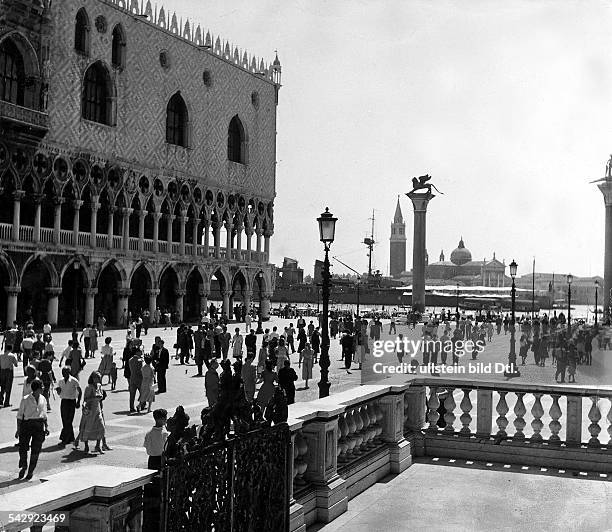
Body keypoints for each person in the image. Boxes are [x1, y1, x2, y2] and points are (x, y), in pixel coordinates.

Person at [16, 378, 48, 480]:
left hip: (39, 426)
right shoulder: (25, 399)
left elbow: (44, 414)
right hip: (27, 425)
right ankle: (24, 465)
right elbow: (20, 416)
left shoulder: (43, 398)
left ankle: (30, 471)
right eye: (41, 387)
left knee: (36, 449)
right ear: (37, 389)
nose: (43, 388)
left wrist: (46, 426)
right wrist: (18, 429)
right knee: (23, 447)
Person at [79, 371, 106, 454]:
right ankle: (86, 447)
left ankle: (98, 445)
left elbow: (101, 396)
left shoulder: (99, 386)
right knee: (87, 427)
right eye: (96, 378)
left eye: (98, 378)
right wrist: (94, 398)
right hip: (90, 410)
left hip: (97, 409)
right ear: (92, 378)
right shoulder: (89, 387)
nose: (97, 380)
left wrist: (100, 397)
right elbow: (86, 399)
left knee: (101, 427)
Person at [56, 367, 82, 446]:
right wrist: (58, 391)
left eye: (65, 372)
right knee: (65, 420)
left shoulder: (74, 380)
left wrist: (78, 401)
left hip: (71, 402)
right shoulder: (60, 381)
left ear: (69, 372)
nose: (63, 373)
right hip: (64, 401)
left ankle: (65, 439)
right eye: (62, 372)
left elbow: (79, 391)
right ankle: (70, 438)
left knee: (69, 420)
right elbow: (60, 392)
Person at [128, 348, 143, 412]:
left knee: (132, 395)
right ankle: (141, 405)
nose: (141, 353)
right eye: (140, 352)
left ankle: (131, 407)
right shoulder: (139, 360)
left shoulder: (130, 360)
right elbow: (140, 370)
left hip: (132, 378)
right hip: (139, 379)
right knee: (142, 393)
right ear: (137, 352)